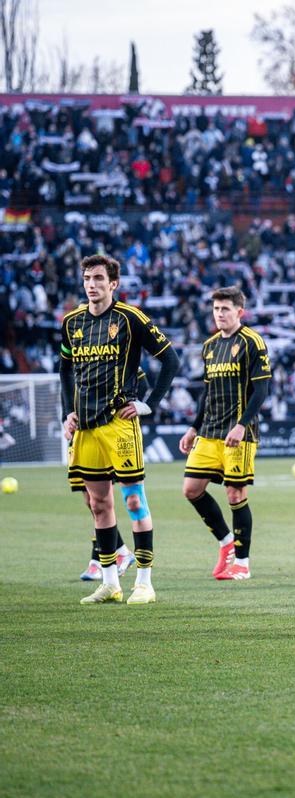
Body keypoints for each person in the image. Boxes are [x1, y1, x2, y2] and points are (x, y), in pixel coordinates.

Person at [62, 253, 180, 605]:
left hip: (118, 424)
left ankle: (144, 582)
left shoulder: (130, 319)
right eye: (87, 278)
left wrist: (150, 403)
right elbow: (65, 369)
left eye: (99, 278)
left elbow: (170, 360)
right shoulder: (71, 322)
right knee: (99, 505)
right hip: (85, 427)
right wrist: (69, 410)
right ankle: (110, 582)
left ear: (113, 283)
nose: (92, 285)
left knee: (132, 500)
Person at [179, 287, 272, 581]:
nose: (219, 314)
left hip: (239, 432)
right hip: (210, 431)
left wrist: (242, 424)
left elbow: (262, 390)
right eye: (216, 309)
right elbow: (207, 393)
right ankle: (226, 542)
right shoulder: (209, 346)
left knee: (235, 494)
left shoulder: (252, 342)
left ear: (239, 312)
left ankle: (242, 564)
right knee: (191, 489)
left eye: (225, 309)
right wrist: (194, 427)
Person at [78, 369, 149, 581]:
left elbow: (143, 383)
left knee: (124, 500)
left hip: (114, 431)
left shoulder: (120, 350)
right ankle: (118, 552)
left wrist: (135, 404)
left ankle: (99, 559)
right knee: (91, 500)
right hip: (84, 427)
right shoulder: (78, 346)